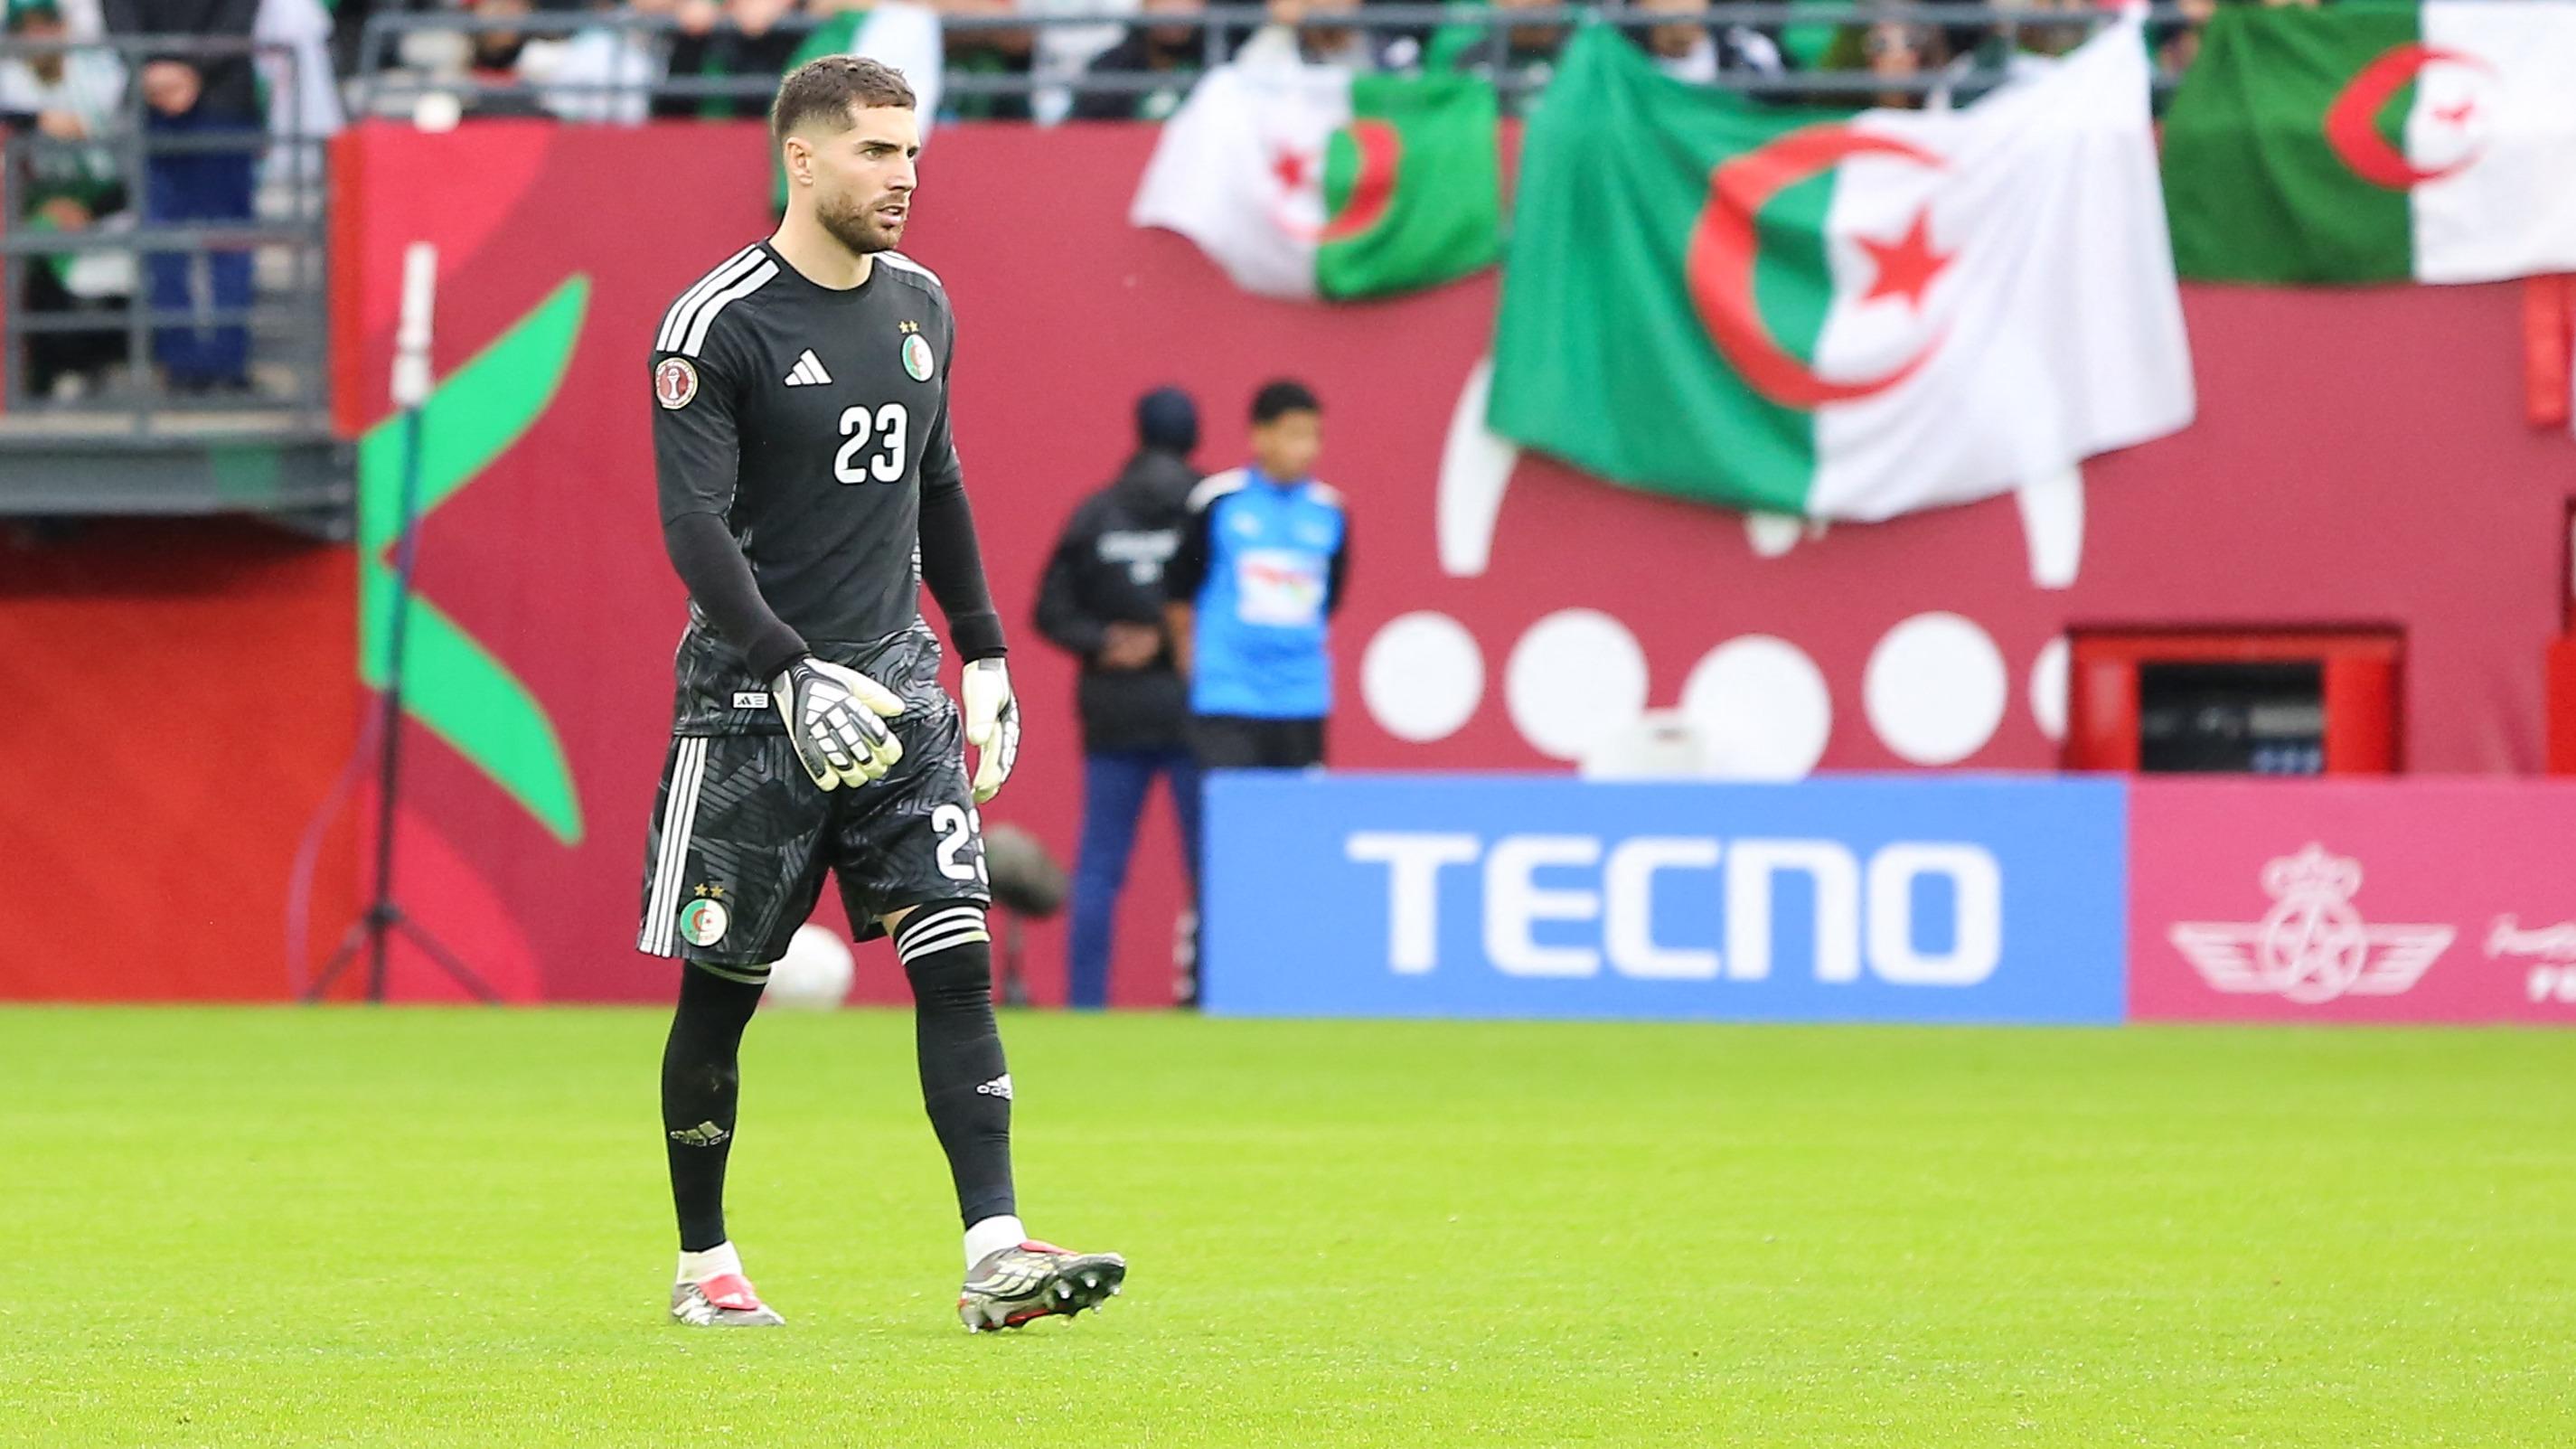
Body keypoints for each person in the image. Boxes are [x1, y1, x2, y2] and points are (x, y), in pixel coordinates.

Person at [644, 54, 1123, 1333]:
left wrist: (983, 652)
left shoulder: (922, 301)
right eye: (875, 151)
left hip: (899, 687)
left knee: (956, 958)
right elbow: (693, 526)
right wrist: (784, 663)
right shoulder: (715, 324)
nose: (903, 176)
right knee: (722, 991)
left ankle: (996, 1251)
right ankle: (704, 1262)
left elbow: (937, 478)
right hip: (752, 706)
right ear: (800, 159)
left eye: (911, 151)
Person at [1033, 387, 1202, 1011]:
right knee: (1209, 866)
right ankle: (1214, 996)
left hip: (1114, 708)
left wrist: (1103, 639)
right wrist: (1172, 639)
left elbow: (1048, 610)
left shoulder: (1097, 512)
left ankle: (1086, 1003)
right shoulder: (1210, 510)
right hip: (1193, 708)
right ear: (1192, 437)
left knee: (1100, 867)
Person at [1161, 378, 1349, 858]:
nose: (1306, 449)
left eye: (1314, 436)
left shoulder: (1330, 511)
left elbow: (1328, 599)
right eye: (1293, 434)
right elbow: (1178, 590)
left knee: (1297, 838)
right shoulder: (1219, 501)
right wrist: (1192, 662)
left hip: (1300, 697)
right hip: (1230, 696)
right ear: (1259, 435)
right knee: (1230, 838)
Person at [104, 0, 260, 391]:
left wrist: (156, 71)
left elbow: (120, 18)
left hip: (191, 101)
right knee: (183, 241)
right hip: (206, 100)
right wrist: (180, 72)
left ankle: (194, 366)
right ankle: (213, 367)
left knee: (189, 240)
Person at [0, 0, 128, 398]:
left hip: (107, 205)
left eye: (44, 27)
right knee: (32, 253)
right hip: (35, 212)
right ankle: (45, 375)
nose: (35, 39)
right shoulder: (9, 82)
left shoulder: (100, 78)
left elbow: (132, 171)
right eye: (25, 30)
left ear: (62, 29)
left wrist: (87, 209)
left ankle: (99, 366)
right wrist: (36, 121)